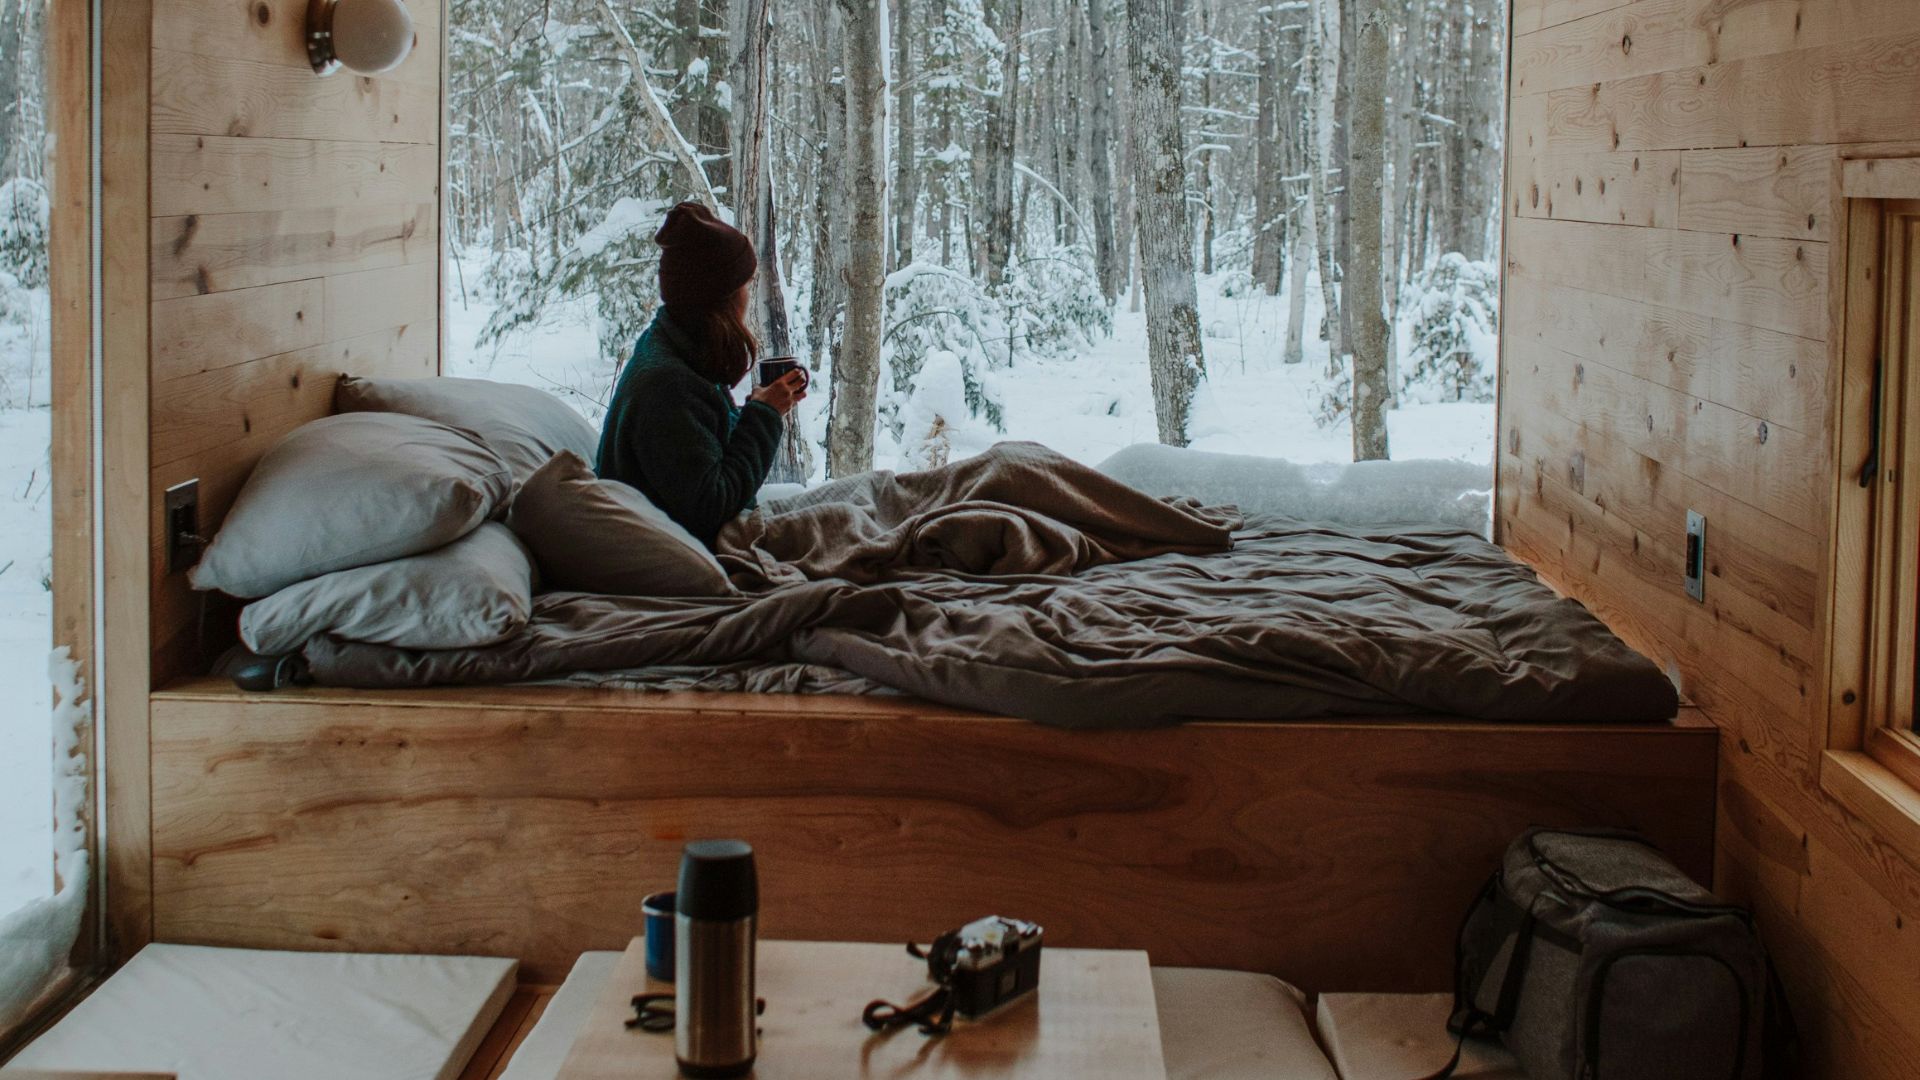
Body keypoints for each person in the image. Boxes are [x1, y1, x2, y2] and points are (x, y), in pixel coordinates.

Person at [596, 202, 808, 545]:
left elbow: (698, 452)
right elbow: (712, 505)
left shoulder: (674, 347)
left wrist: (754, 409)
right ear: (719, 297)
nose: (748, 294)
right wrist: (765, 417)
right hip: (672, 550)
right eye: (745, 283)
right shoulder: (668, 387)